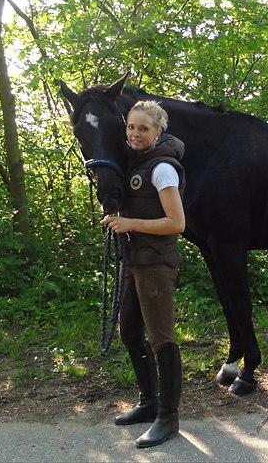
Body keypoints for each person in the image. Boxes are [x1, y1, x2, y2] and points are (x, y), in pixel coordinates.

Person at [102, 100, 185, 448]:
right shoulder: (133, 161)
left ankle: (169, 419)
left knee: (161, 339)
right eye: (131, 127)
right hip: (135, 261)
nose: (135, 134)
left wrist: (129, 223)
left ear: (158, 133)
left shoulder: (163, 169)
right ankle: (149, 403)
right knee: (131, 334)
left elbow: (177, 223)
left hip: (156, 263)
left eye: (143, 129)